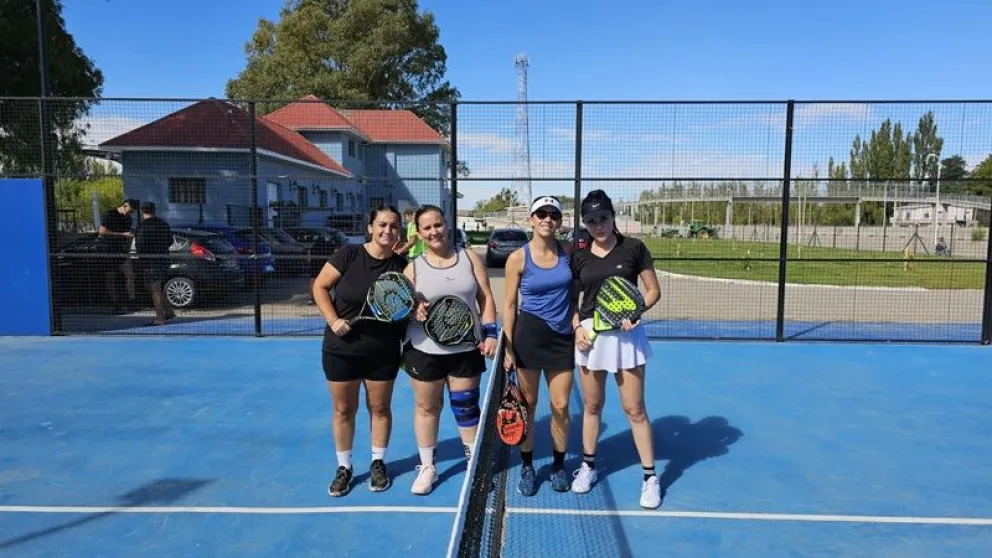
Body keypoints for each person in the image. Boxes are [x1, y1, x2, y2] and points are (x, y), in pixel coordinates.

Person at [569, 189, 663, 509]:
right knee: (592, 407)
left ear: (613, 217)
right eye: (592, 221)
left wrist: (635, 314)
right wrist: (576, 328)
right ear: (585, 223)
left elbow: (652, 291)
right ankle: (588, 467)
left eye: (603, 218)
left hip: (626, 338)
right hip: (590, 338)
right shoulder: (579, 257)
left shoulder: (633, 248)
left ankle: (650, 477)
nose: (598, 225)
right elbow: (572, 303)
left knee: (634, 409)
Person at [312, 204, 408, 497]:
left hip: (384, 350)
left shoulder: (402, 267)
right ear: (370, 227)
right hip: (341, 349)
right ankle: (345, 467)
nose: (387, 230)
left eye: (393, 226)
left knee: (379, 408)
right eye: (381, 224)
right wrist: (334, 319)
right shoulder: (348, 254)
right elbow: (319, 287)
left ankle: (378, 462)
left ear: (399, 232)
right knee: (344, 410)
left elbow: (411, 303)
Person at [402, 204, 498, 495]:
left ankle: (474, 463)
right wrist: (412, 310)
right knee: (427, 407)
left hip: (466, 347)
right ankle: (428, 466)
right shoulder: (413, 267)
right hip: (423, 349)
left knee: (467, 406)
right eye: (427, 228)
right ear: (418, 233)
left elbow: (486, 298)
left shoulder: (469, 258)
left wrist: (491, 333)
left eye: (438, 225)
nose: (434, 232)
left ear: (447, 225)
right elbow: (401, 306)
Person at [502, 196, 576, 496]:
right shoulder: (518, 258)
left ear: (559, 221)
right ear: (531, 219)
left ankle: (559, 465)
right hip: (528, 337)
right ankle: (528, 466)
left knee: (560, 406)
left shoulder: (569, 252)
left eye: (553, 215)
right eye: (541, 214)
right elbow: (508, 304)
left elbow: (577, 295)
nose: (547, 219)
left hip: (562, 339)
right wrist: (508, 346)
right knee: (528, 406)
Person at [133, 202, 176, 326]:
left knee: (155, 288)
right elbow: (170, 241)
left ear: (142, 211)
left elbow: (139, 244)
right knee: (153, 286)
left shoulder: (142, 227)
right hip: (163, 258)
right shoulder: (163, 224)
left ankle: (160, 317)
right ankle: (168, 311)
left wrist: (142, 255)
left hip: (150, 261)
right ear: (154, 210)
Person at [99, 199, 137, 313]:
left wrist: (128, 250)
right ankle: (115, 304)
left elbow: (129, 235)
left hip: (122, 250)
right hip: (109, 250)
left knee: (130, 275)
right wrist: (122, 234)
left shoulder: (128, 219)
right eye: (130, 211)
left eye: (132, 212)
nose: (130, 214)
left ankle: (132, 302)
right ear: (124, 206)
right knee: (110, 278)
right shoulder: (110, 214)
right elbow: (102, 231)